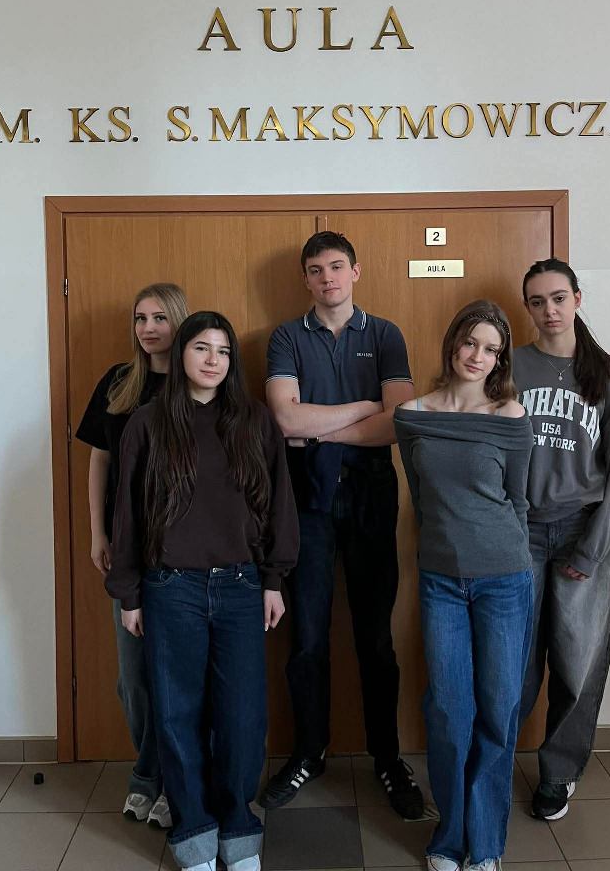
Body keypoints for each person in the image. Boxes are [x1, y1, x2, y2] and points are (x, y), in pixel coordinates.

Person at [106, 311, 299, 871]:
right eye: (201, 348)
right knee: (176, 714)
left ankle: (238, 829)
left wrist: (273, 579)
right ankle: (192, 831)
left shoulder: (254, 421)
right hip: (170, 589)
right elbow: (128, 514)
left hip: (241, 587)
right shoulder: (147, 424)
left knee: (243, 717)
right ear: (181, 354)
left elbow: (278, 505)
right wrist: (129, 593)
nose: (213, 360)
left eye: (223, 351)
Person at [260, 231, 424, 819]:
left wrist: (321, 429)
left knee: (376, 639)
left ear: (355, 271)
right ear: (305, 279)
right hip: (305, 504)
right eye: (315, 269)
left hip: (371, 500)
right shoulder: (286, 337)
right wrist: (363, 408)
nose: (326, 277)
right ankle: (310, 752)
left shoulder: (385, 335)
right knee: (306, 639)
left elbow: (399, 423)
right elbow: (284, 421)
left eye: (336, 266)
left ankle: (387, 756)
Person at [395, 300, 534, 871]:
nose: (478, 356)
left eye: (491, 349)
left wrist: (503, 558)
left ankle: (486, 845)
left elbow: (518, 503)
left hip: (505, 581)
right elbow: (421, 498)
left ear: (500, 359)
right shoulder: (412, 414)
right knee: (450, 713)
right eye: (470, 343)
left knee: (497, 711)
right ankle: (449, 838)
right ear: (453, 342)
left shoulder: (510, 415)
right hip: (441, 584)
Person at [515, 258, 610, 821]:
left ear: (577, 299)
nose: (549, 310)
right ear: (528, 308)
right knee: (514, 658)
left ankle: (558, 774)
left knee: (577, 661)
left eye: (558, 298)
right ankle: (491, 763)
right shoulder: (511, 366)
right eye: (537, 302)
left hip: (581, 532)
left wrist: (593, 548)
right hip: (521, 532)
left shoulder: (604, 373)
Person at [76, 281, 189, 827]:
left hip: (184, 552)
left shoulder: (198, 380)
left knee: (180, 673)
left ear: (180, 321)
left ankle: (176, 781)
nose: (148, 328)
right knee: (134, 676)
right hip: (127, 550)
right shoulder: (119, 382)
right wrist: (97, 533)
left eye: (160, 318)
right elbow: (99, 460)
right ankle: (150, 774)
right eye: (140, 318)